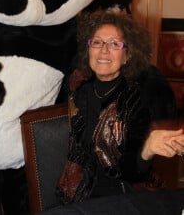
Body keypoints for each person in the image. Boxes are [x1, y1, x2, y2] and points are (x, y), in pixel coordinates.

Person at [57, 11, 184, 204]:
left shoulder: (136, 98)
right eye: (97, 42)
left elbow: (133, 171)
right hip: (81, 193)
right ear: (88, 49)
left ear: (127, 55)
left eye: (114, 44)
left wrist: (147, 148)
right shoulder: (80, 93)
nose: (104, 50)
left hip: (124, 195)